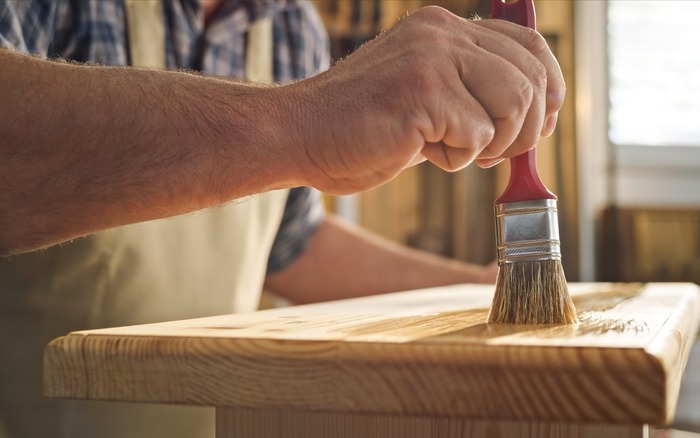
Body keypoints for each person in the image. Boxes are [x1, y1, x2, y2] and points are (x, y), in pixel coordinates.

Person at [0, 0, 565, 437]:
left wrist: (474, 287)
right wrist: (300, 123)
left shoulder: (294, 27)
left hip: (216, 421)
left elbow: (291, 247)